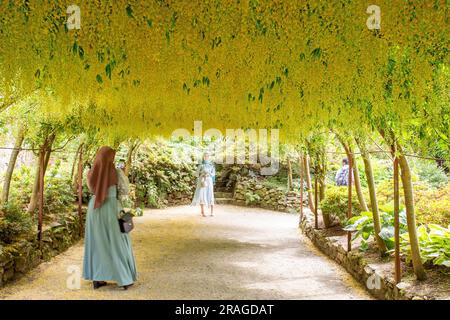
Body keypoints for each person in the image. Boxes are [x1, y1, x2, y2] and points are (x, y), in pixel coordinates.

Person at [83, 146, 137, 290]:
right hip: (112, 207)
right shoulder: (116, 172)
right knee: (118, 241)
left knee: (97, 242)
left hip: (94, 209)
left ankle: (97, 278)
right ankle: (124, 279)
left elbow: (92, 189)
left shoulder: (90, 173)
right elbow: (124, 190)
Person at [191, 153, 216, 217]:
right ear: (203, 157)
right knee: (202, 194)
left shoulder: (211, 165)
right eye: (205, 156)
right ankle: (203, 211)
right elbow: (196, 174)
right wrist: (202, 174)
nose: (206, 157)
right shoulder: (201, 165)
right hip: (202, 181)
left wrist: (209, 174)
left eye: (207, 156)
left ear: (209, 157)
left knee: (210, 194)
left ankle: (212, 212)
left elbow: (213, 174)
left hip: (209, 181)